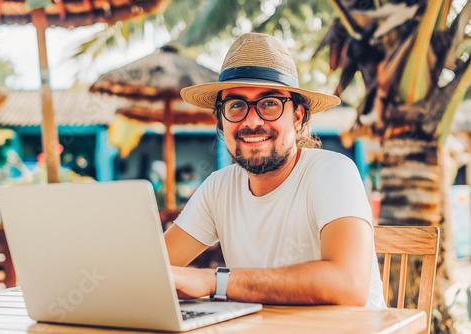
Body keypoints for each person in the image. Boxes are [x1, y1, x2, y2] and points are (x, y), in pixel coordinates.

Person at [164, 33, 385, 308]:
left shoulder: (332, 172)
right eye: (236, 106)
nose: (252, 120)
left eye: (270, 103)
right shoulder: (217, 188)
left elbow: (348, 285)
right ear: (221, 121)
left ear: (297, 116)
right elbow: (153, 270)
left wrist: (215, 281)